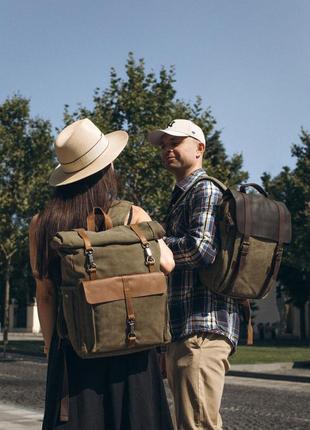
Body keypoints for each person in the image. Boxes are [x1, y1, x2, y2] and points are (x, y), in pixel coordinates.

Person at [29, 118, 175, 430]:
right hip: (132, 347)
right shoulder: (132, 215)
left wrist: (50, 344)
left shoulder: (42, 223)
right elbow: (167, 264)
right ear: (107, 170)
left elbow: (45, 293)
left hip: (74, 352)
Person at [149, 119, 240, 430]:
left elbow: (201, 249)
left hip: (202, 328)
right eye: (163, 145)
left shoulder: (205, 189)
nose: (166, 149)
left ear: (199, 148)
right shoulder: (182, 196)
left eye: (175, 142)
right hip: (184, 330)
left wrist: (154, 244)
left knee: (197, 425)